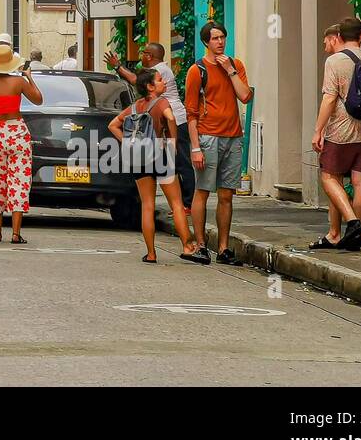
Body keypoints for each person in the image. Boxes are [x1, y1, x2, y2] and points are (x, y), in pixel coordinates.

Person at [108, 69, 202, 264]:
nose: (164, 83)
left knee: (147, 206)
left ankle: (151, 253)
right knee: (176, 203)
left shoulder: (134, 108)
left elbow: (113, 125)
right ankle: (187, 245)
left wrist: (127, 142)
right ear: (150, 87)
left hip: (139, 157)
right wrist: (173, 142)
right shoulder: (162, 103)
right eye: (159, 80)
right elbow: (171, 118)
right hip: (160, 154)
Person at [311, 17, 361, 251]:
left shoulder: (335, 61)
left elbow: (329, 98)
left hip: (341, 131)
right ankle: (356, 234)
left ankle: (353, 223)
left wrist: (318, 130)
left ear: (340, 37)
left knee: (329, 177)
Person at [183, 21, 253, 265]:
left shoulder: (235, 65)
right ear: (206, 42)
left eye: (222, 37)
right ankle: (201, 245)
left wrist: (230, 71)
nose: (220, 42)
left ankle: (223, 248)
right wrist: (195, 147)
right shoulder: (197, 70)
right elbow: (190, 113)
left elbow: (245, 96)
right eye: (215, 38)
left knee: (226, 195)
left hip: (232, 136)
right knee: (202, 191)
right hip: (207, 136)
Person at [105, 42, 194, 208]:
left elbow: (135, 80)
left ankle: (188, 203)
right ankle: (181, 203)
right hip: (165, 121)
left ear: (149, 56)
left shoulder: (160, 71)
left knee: (181, 162)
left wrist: (118, 66)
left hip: (175, 119)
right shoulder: (160, 70)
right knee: (175, 163)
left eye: (143, 53)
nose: (140, 56)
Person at [0, 42, 44, 243]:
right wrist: (29, 77)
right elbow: (38, 99)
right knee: (19, 181)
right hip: (18, 132)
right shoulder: (19, 82)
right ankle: (15, 233)